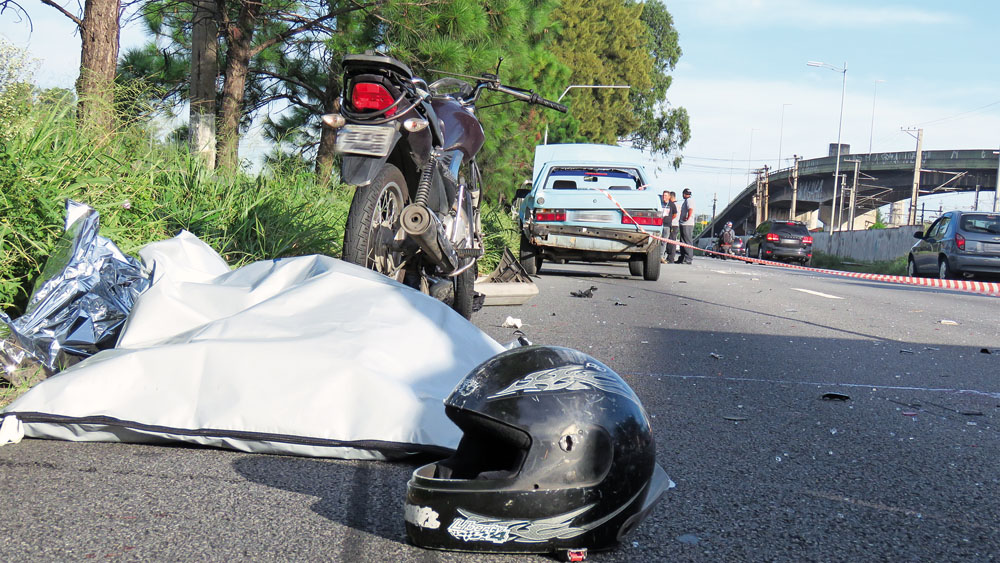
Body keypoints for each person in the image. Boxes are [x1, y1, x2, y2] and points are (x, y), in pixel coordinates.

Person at [677, 188, 695, 264]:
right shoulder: (686, 201)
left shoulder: (689, 200)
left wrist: (688, 217)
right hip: (683, 223)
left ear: (684, 194)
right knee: (683, 241)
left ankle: (688, 258)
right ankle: (682, 257)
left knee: (687, 241)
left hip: (687, 224)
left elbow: (690, 209)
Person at [665, 191, 679, 264]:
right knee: (671, 241)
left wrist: (669, 219)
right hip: (674, 224)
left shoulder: (674, 205)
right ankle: (669, 257)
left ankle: (671, 258)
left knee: (671, 242)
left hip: (673, 224)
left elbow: (674, 215)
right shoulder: (677, 205)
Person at [660, 191, 671, 263]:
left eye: (666, 195)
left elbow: (674, 214)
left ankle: (661, 256)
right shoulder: (660, 204)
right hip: (660, 224)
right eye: (663, 195)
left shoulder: (671, 205)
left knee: (664, 241)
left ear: (669, 196)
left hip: (667, 225)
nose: (664, 197)